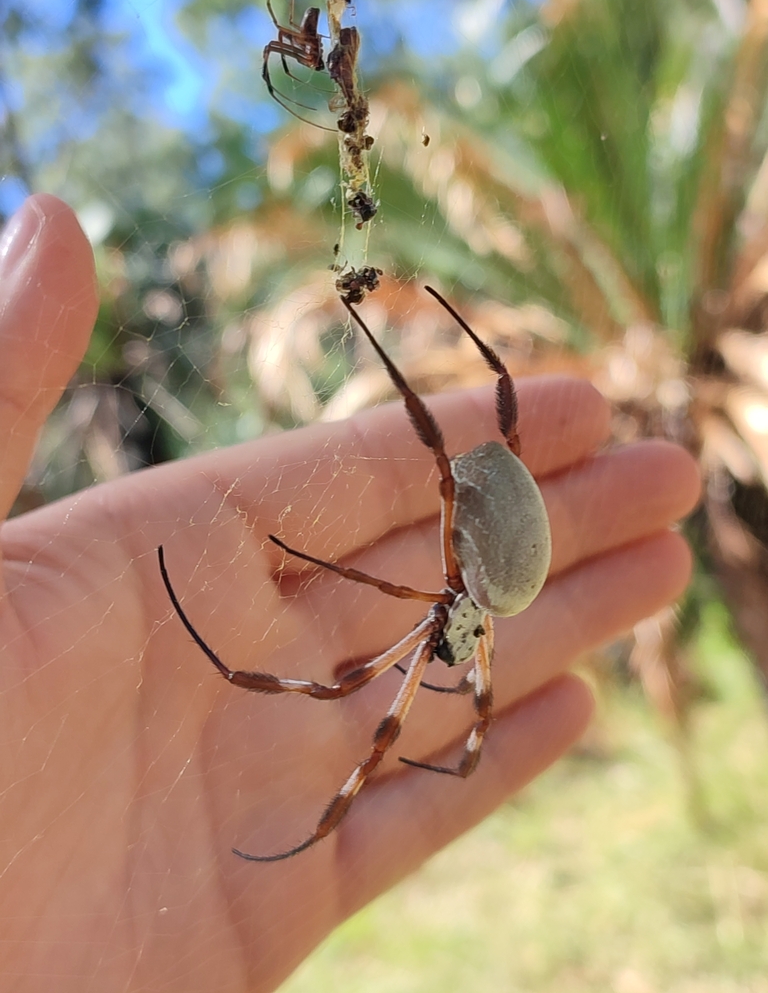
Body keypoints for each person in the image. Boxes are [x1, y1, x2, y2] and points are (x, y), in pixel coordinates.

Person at [0, 195, 700, 992]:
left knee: (356, 677)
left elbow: (462, 727)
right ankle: (383, 338)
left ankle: (318, 827)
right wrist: (329, 568)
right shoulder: (473, 619)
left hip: (494, 559)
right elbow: (463, 722)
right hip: (496, 556)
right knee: (445, 472)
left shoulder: (459, 622)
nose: (444, 652)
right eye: (455, 650)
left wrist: (331, 573)